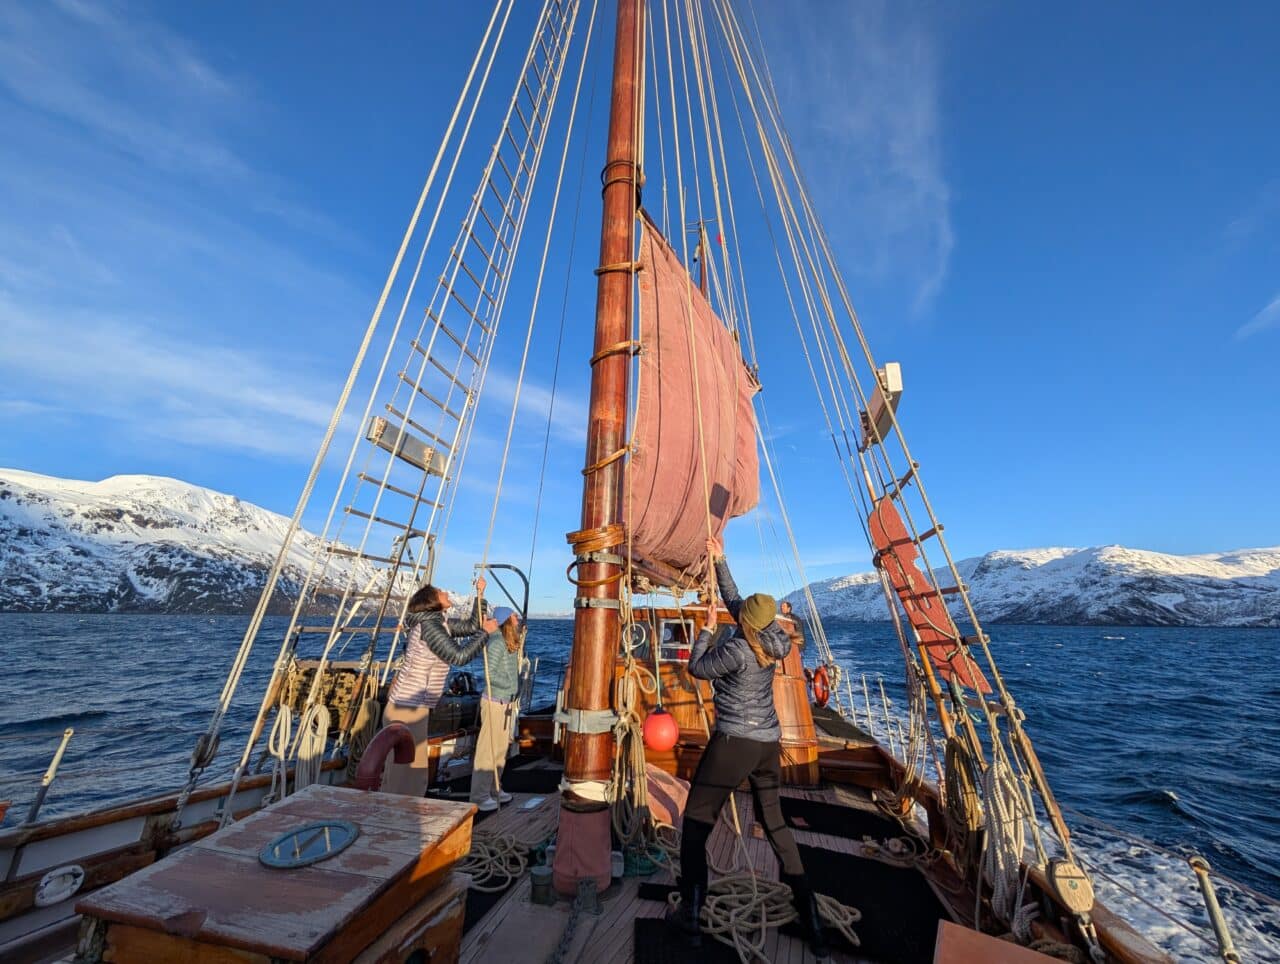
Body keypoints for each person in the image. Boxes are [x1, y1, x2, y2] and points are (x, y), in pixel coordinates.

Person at [666, 540, 829, 959]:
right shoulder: (776, 639)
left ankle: (692, 914)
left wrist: (704, 630)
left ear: (746, 625)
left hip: (734, 743)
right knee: (774, 824)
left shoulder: (738, 649)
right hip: (767, 746)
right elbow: (735, 599)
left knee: (697, 823)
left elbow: (697, 669)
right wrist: (719, 558)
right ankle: (810, 916)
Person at [383, 576, 496, 797]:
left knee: (412, 770)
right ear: (432, 601)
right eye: (440, 591)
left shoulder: (437, 623)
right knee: (404, 772)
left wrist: (480, 595)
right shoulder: (430, 626)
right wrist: (486, 634)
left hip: (413, 707)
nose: (445, 591)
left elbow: (472, 626)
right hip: (407, 708)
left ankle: (404, 813)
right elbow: (459, 656)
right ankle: (395, 816)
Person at [470, 606, 522, 811]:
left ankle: (494, 788)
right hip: (494, 702)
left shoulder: (509, 643)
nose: (517, 619)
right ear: (506, 620)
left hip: (506, 702)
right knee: (488, 750)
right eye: (514, 616)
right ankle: (479, 796)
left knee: (500, 750)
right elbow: (489, 673)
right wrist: (510, 684)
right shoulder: (497, 643)